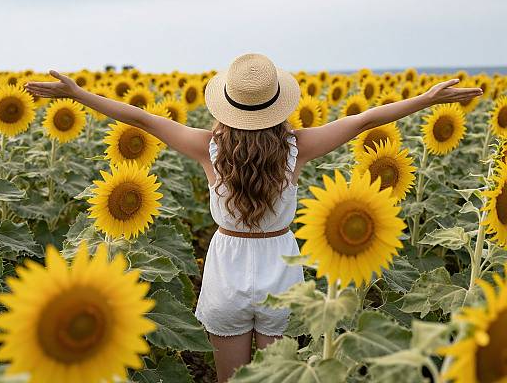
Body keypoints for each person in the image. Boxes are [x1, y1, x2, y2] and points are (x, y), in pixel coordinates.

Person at [24, 54, 483, 383]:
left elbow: (139, 119)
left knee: (233, 380)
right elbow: (365, 121)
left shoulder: (207, 148)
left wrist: (78, 94)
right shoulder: (296, 148)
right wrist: (425, 98)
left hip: (226, 268)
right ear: (278, 105)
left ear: (227, 105)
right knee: (276, 377)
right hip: (281, 270)